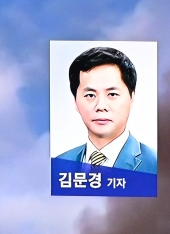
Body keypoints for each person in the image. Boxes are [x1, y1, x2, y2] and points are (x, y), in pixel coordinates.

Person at [55, 46, 157, 174]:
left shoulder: (157, 165)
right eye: (90, 95)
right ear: (75, 101)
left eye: (112, 94)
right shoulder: (58, 166)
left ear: (132, 97)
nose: (101, 106)